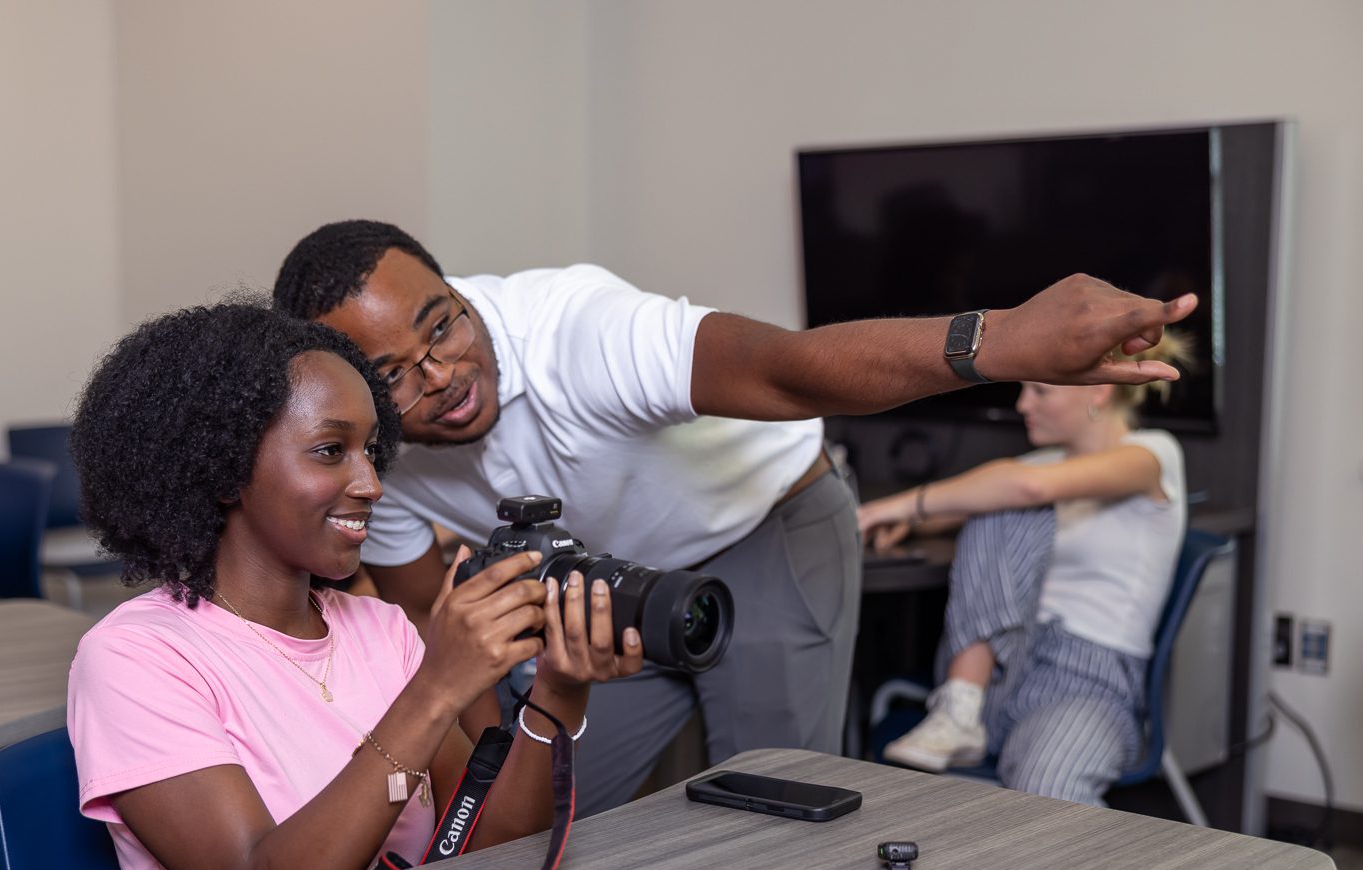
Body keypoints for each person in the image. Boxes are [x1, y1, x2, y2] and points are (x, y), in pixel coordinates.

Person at [272, 220, 1194, 816]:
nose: (440, 373)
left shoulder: (577, 335)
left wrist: (995, 342)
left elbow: (788, 368)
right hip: (617, 574)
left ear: (463, 290)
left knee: (774, 805)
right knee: (539, 814)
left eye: (445, 325)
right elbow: (428, 606)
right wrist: (482, 768)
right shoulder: (367, 449)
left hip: (766, 526)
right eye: (392, 371)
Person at [66, 301, 641, 870]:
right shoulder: (136, 657)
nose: (370, 483)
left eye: (371, 450)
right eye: (330, 450)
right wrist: (436, 690)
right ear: (226, 469)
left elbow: (486, 851)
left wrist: (558, 691)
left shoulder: (381, 629)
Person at [856, 335, 1193, 805]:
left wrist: (887, 508)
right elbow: (979, 498)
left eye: (1040, 391)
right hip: (997, 667)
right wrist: (910, 520)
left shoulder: (1154, 455)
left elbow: (1026, 487)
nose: (1022, 404)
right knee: (995, 497)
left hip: (1087, 683)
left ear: (1097, 390)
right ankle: (959, 708)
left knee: (1047, 790)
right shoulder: (1041, 466)